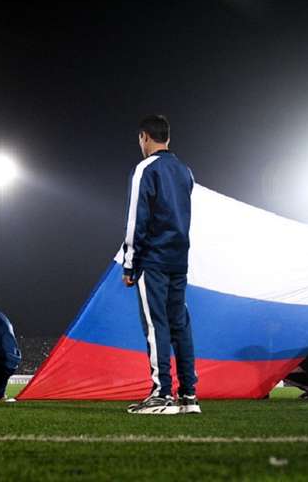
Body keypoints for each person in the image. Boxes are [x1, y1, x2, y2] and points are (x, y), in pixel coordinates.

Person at [121, 115, 200, 415]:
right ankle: (188, 396)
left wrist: (130, 265)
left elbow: (135, 220)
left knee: (157, 324)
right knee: (180, 324)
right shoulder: (185, 171)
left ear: (144, 137)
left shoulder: (145, 169)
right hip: (179, 259)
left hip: (153, 259)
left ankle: (162, 393)